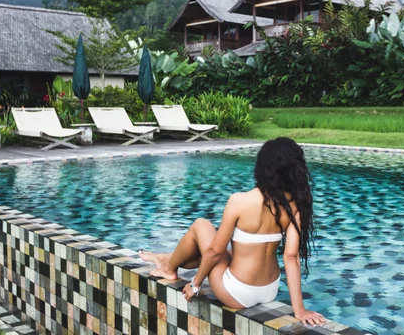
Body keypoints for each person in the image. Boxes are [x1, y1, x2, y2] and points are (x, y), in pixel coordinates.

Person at [139, 137, 326, 327]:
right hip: (270, 289)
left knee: (201, 225)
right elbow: (291, 257)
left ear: (263, 168)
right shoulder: (295, 205)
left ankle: (169, 269)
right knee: (229, 252)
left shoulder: (239, 201)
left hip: (236, 292)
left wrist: (196, 284)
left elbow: (214, 252)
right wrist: (299, 309)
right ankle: (167, 258)